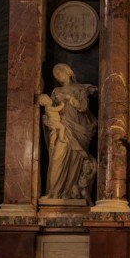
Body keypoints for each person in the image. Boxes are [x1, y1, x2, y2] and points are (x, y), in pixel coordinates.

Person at [40, 63, 97, 201]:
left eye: (60, 71)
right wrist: (47, 119)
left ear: (69, 72)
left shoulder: (80, 89)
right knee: (56, 159)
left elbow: (83, 107)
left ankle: (68, 193)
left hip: (77, 128)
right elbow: (51, 108)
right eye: (55, 74)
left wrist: (68, 98)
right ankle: (53, 192)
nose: (58, 75)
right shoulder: (56, 91)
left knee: (74, 161)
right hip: (62, 126)